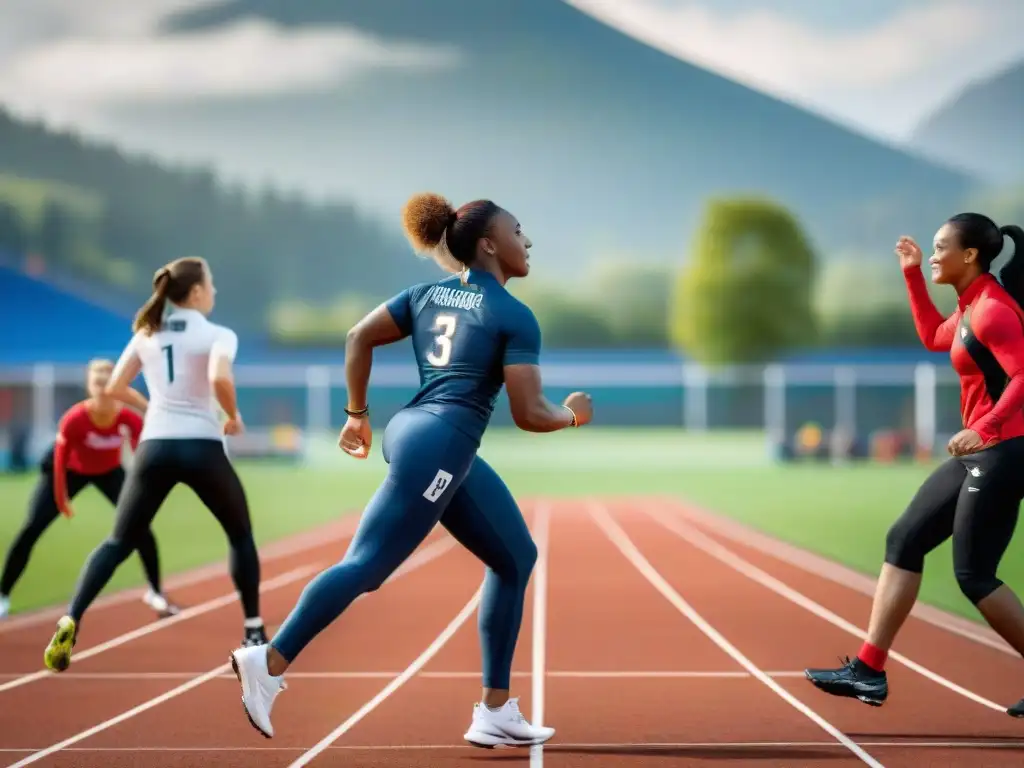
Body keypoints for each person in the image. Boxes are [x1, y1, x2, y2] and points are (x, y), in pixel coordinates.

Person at [229, 192, 592, 745]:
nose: (528, 241)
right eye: (519, 231)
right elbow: (528, 414)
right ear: (490, 245)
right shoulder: (514, 316)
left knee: (515, 556)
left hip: (422, 433)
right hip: (443, 443)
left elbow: (358, 337)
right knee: (368, 566)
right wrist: (571, 415)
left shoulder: (424, 294)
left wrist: (357, 415)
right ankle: (269, 661)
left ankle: (495, 711)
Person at [804, 214, 1024, 717]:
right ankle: (870, 669)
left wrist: (985, 428)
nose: (933, 255)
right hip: (980, 452)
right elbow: (932, 337)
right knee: (904, 539)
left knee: (974, 574)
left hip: (1006, 450)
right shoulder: (969, 309)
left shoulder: (994, 311)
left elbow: (1022, 376)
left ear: (970, 256)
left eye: (940, 248)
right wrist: (911, 275)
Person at [43, 257, 266, 672]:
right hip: (201, 446)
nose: (214, 291)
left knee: (117, 542)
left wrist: (154, 407)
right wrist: (232, 415)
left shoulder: (148, 333)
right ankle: (253, 629)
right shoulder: (218, 334)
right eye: (211, 284)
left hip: (155, 447)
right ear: (196, 293)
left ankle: (72, 616)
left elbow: (114, 387)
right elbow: (219, 379)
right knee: (239, 534)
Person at [0, 359, 178, 620]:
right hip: (69, 471)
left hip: (108, 472)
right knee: (32, 528)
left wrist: (146, 492)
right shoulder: (74, 419)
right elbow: (60, 462)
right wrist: (61, 500)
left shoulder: (127, 418)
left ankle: (155, 591)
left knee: (141, 527)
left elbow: (141, 454)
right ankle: (3, 594)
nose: (104, 387)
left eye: (109, 381)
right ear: (89, 386)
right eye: (98, 381)